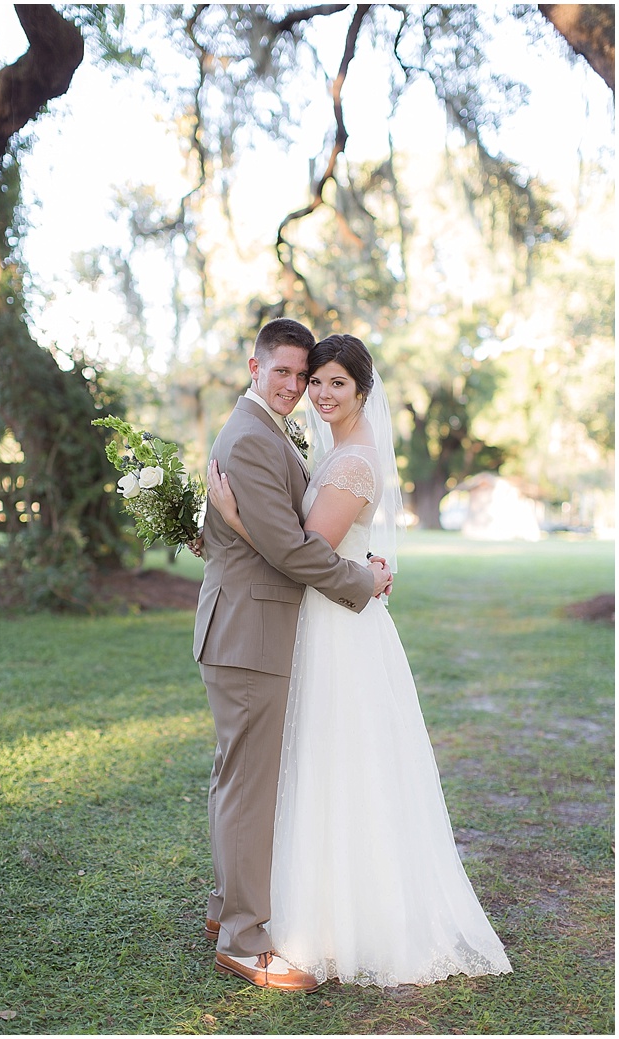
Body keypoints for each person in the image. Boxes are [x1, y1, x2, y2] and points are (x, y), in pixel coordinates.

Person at [207, 332, 513, 988]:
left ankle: (258, 916)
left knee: (298, 771)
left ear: (361, 393)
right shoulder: (268, 436)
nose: (309, 389)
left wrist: (242, 524)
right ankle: (238, 925)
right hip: (283, 623)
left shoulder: (342, 457)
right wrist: (234, 524)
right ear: (258, 368)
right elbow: (293, 545)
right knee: (262, 778)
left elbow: (299, 542)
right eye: (301, 376)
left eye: (326, 381)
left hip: (322, 623)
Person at [193, 319, 391, 992]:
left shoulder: (263, 431)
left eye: (302, 376)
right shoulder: (251, 436)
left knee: (237, 778)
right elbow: (290, 548)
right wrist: (363, 581)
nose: (294, 385)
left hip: (246, 629)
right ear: (255, 368)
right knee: (248, 785)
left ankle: (227, 912)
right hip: (249, 631)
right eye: (283, 371)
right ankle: (247, 941)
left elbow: (275, 534)